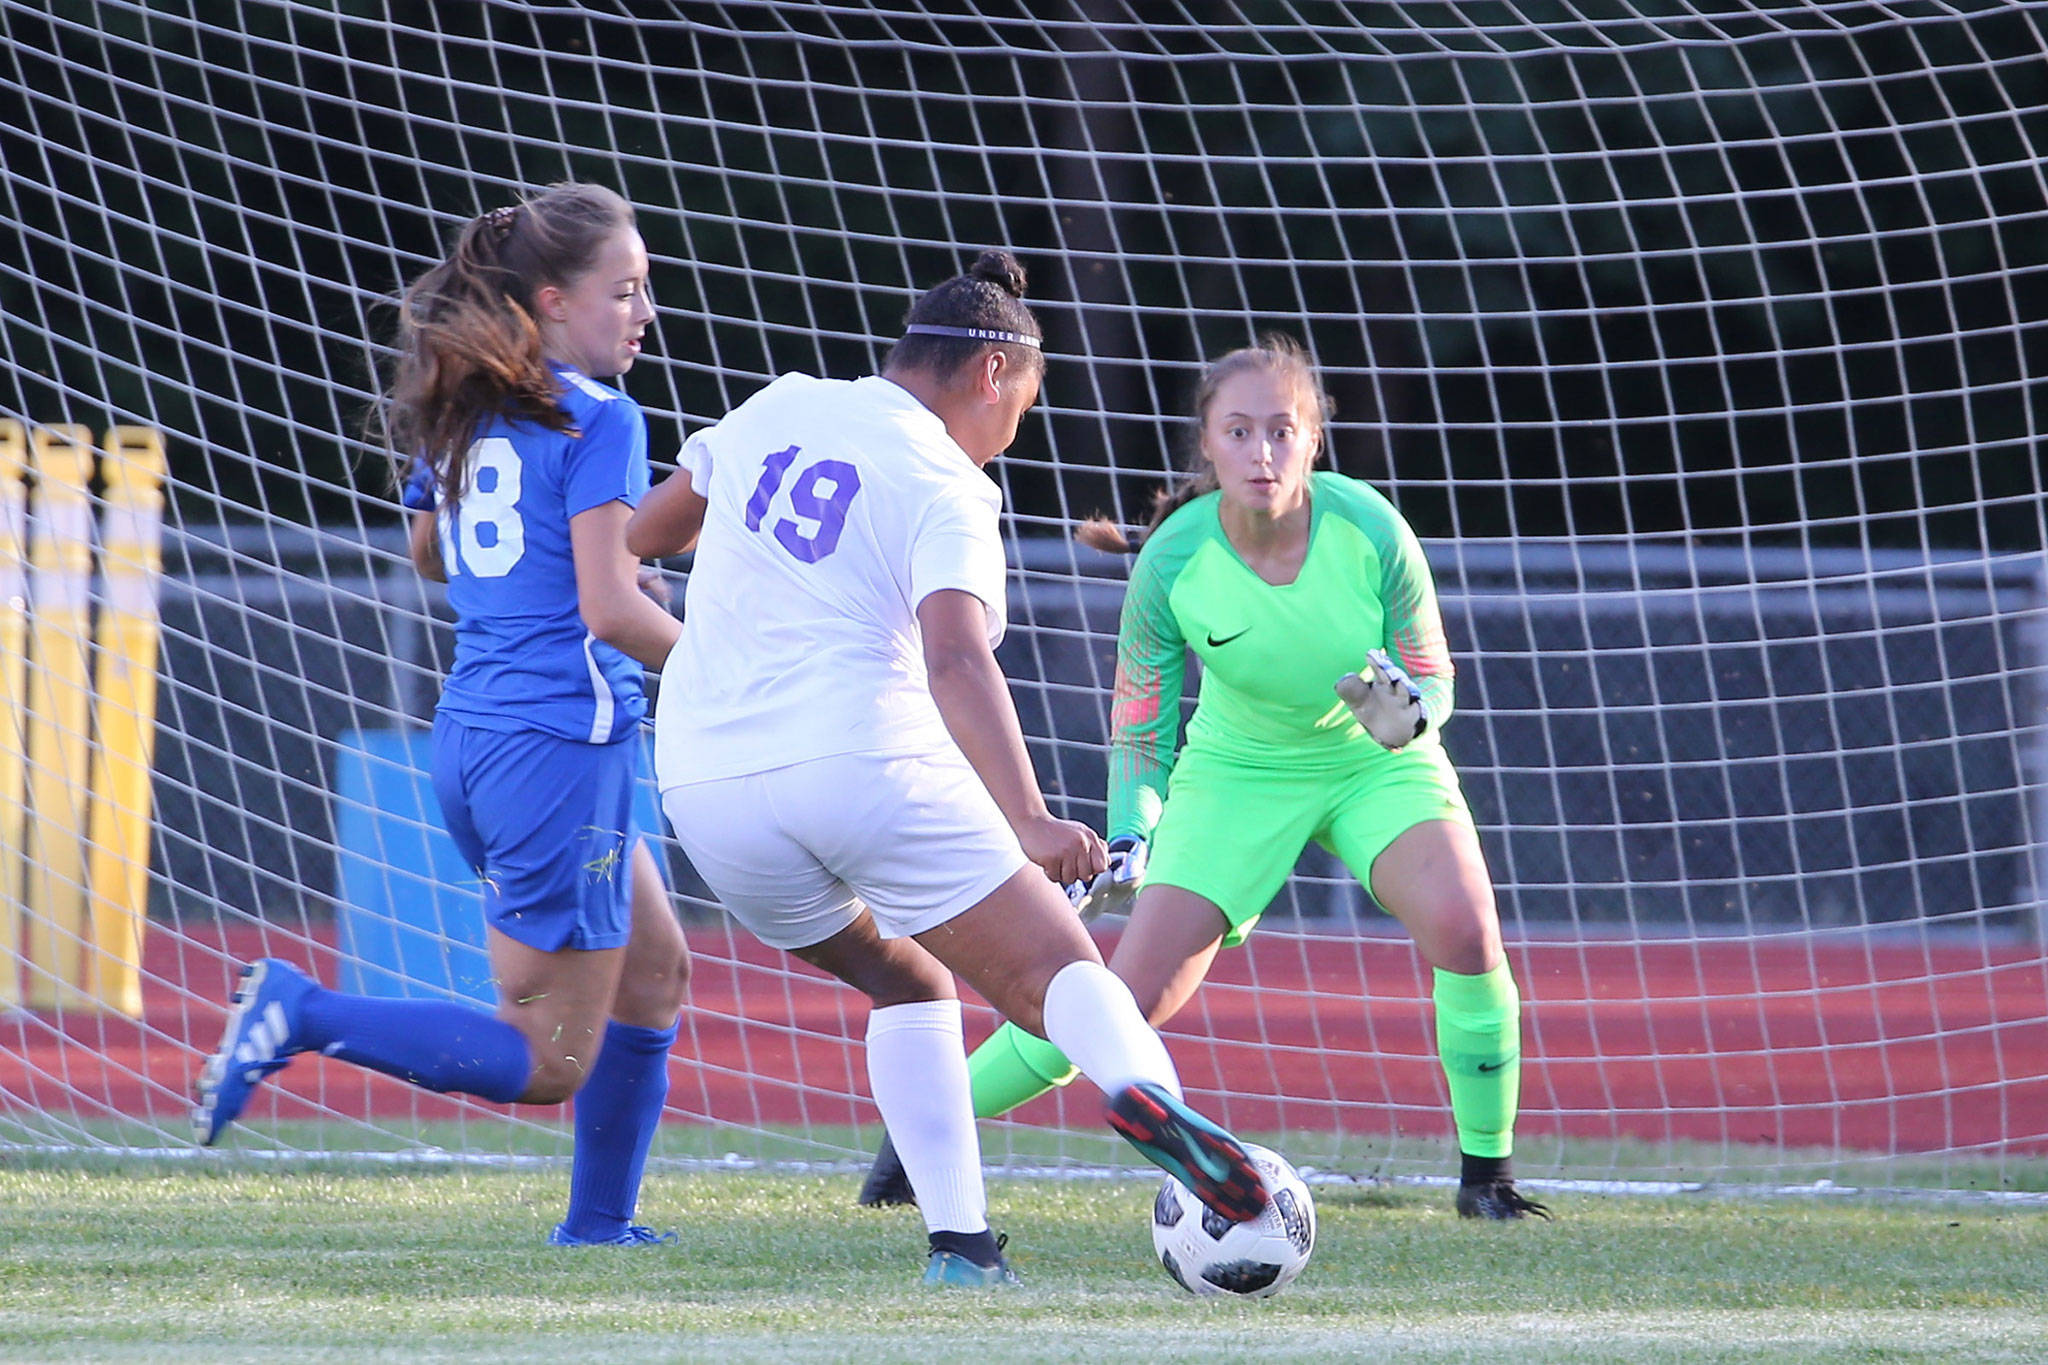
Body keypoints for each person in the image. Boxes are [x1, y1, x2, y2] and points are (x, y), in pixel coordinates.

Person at [624, 250, 1270, 1288]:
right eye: (1024, 404)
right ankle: (1158, 1106)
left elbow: (646, 533)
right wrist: (1027, 818)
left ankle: (962, 1249)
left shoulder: (780, 403)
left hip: (703, 784)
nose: (1014, 429)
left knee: (905, 975)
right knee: (1056, 970)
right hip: (856, 759)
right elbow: (957, 659)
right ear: (989, 373)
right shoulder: (947, 481)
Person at [860, 333, 1550, 1221]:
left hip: (1374, 766)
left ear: (1313, 440)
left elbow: (1433, 679)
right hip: (1236, 774)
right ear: (1208, 444)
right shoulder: (1174, 558)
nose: (1262, 452)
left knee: (1466, 929)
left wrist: (1411, 714)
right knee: (1122, 1001)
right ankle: (921, 1135)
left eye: (1282, 431)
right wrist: (1132, 830)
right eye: (1240, 431)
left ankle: (1487, 1178)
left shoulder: (1372, 528)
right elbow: (1141, 730)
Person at [193, 183, 693, 1247]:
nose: (645, 313)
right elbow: (609, 609)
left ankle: (600, 1228)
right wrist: (729, 672)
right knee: (548, 1059)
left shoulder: (471, 406)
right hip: (558, 749)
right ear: (553, 301)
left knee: (654, 976)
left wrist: (569, 571)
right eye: (624, 291)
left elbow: (432, 552)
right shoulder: (602, 415)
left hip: (477, 736)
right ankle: (302, 1010)